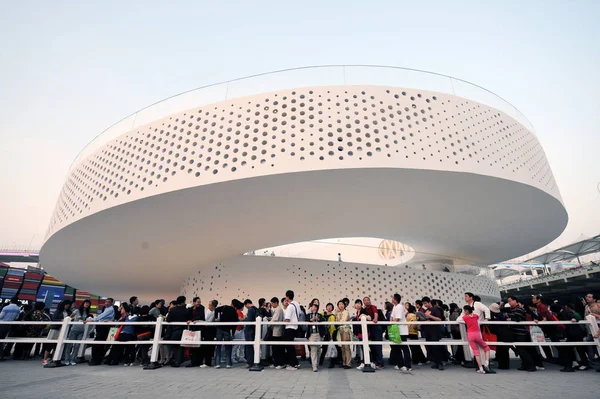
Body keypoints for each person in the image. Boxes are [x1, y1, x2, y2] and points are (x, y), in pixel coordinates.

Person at [457, 305, 495, 374]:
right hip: (477, 334)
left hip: (470, 335)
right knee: (487, 348)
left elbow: (458, 320)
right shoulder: (476, 316)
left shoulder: (465, 318)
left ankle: (480, 368)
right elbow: (477, 318)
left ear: (465, 311)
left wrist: (463, 313)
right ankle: (486, 363)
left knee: (475, 352)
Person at [506, 296, 536, 372]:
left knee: (522, 350)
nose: (509, 302)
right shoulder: (513, 309)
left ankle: (531, 366)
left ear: (515, 301)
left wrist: (510, 319)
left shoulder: (518, 309)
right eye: (508, 301)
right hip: (517, 332)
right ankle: (525, 365)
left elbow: (517, 319)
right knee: (521, 350)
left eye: (510, 301)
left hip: (521, 333)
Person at [86, 297, 115, 366]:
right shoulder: (107, 309)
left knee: (98, 344)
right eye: (106, 302)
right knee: (98, 344)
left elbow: (101, 316)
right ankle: (96, 359)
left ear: (111, 303)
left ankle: (96, 360)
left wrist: (92, 320)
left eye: (108, 302)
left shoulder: (110, 309)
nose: (106, 303)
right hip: (102, 328)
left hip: (104, 328)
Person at [43, 299, 72, 365]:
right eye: (66, 304)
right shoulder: (58, 311)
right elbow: (53, 319)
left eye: (68, 304)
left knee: (57, 346)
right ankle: (45, 359)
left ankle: (54, 359)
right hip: (55, 329)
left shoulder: (69, 312)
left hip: (63, 331)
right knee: (50, 345)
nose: (67, 305)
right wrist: (61, 320)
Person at [64, 299, 91, 365]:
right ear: (83, 303)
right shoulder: (77, 310)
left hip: (82, 330)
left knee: (77, 346)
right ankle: (67, 359)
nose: (86, 304)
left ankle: (73, 359)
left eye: (88, 303)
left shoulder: (87, 312)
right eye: (85, 303)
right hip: (74, 329)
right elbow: (70, 317)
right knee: (69, 345)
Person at [214, 299, 239, 369]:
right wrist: (233, 333)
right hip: (227, 330)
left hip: (219, 328)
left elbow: (216, 309)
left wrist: (216, 318)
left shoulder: (224, 307)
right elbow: (235, 324)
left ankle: (217, 363)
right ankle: (228, 363)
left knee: (218, 346)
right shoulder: (234, 312)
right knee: (228, 346)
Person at [421, 296, 444, 370]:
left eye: (425, 303)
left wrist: (429, 316)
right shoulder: (426, 310)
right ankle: (436, 362)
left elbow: (439, 319)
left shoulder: (435, 309)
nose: (425, 305)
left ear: (429, 302)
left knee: (436, 347)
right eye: (424, 304)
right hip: (428, 331)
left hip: (434, 331)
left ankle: (440, 363)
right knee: (430, 348)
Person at [165, 296, 189, 367]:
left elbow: (168, 320)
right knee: (181, 346)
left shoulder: (172, 310)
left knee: (174, 345)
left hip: (175, 330)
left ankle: (177, 360)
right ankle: (179, 360)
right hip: (183, 330)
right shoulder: (185, 310)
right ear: (183, 302)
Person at [390, 293, 411, 371]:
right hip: (395, 330)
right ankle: (400, 364)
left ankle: (408, 365)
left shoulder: (399, 307)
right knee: (396, 348)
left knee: (404, 347)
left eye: (392, 298)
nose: (391, 299)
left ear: (395, 299)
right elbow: (392, 317)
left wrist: (391, 324)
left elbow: (397, 318)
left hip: (401, 330)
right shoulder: (394, 307)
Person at [363, 296, 384, 369]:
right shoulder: (364, 309)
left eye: (368, 300)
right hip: (370, 329)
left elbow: (375, 313)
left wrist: (375, 319)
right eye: (365, 300)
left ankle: (380, 363)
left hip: (377, 328)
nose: (366, 301)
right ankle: (375, 361)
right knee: (372, 346)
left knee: (378, 346)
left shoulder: (373, 307)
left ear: (370, 301)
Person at [489, 303, 511, 370]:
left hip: (499, 334)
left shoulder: (493, 316)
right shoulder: (503, 314)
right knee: (504, 350)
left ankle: (503, 365)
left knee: (501, 350)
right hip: (506, 333)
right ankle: (505, 365)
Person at [283, 290, 300, 370]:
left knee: (289, 346)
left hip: (289, 328)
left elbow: (287, 319)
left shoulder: (290, 306)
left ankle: (293, 364)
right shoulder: (296, 304)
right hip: (295, 327)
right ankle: (295, 362)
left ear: (287, 297)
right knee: (291, 346)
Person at [186, 297, 205, 367]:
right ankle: (193, 361)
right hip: (192, 329)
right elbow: (187, 315)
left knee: (198, 346)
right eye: (198, 302)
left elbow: (200, 316)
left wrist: (192, 320)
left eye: (200, 302)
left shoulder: (201, 307)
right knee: (192, 346)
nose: (199, 303)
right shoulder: (191, 309)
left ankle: (199, 361)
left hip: (198, 329)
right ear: (194, 302)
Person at [306, 303, 325, 372]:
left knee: (318, 350)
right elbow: (306, 321)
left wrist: (318, 319)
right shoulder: (308, 315)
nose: (314, 308)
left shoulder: (319, 315)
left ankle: (316, 364)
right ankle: (314, 366)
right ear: (311, 308)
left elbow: (323, 321)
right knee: (313, 350)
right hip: (311, 335)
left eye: (315, 307)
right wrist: (312, 319)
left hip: (318, 334)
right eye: (313, 307)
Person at [199, 299, 217, 368]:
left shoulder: (211, 312)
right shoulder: (212, 311)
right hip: (210, 330)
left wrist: (199, 321)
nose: (208, 306)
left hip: (208, 330)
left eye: (209, 304)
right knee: (209, 346)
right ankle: (208, 361)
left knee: (208, 346)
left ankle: (207, 362)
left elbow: (206, 320)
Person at [334, 300, 352, 369]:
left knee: (346, 347)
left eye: (342, 304)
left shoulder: (346, 312)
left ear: (344, 305)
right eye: (339, 304)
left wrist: (338, 322)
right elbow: (335, 320)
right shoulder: (338, 312)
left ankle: (348, 363)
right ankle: (344, 362)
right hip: (340, 330)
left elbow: (343, 321)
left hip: (345, 330)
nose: (341, 306)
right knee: (342, 347)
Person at [269, 297, 286, 369]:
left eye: (272, 303)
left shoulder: (278, 310)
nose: (272, 305)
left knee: (277, 349)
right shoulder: (278, 309)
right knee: (276, 348)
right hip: (277, 331)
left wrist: (269, 322)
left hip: (277, 331)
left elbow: (275, 320)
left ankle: (279, 363)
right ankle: (276, 363)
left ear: (276, 303)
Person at [242, 299, 258, 368]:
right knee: (252, 346)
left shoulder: (250, 310)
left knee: (249, 347)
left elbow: (249, 321)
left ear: (247, 304)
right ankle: (253, 361)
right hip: (254, 330)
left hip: (249, 330)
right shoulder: (256, 309)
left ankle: (249, 362)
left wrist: (245, 319)